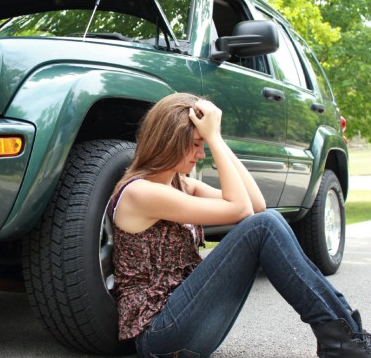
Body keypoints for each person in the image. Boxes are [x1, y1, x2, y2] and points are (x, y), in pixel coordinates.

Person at [110, 92, 370, 358]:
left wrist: (217, 139)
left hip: (185, 323)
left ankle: (348, 334)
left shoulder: (181, 185)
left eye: (204, 144)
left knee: (268, 221)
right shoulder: (140, 193)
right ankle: (343, 341)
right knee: (265, 226)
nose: (201, 154)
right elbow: (243, 210)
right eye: (197, 144)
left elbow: (256, 205)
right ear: (171, 141)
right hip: (160, 335)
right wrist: (212, 137)